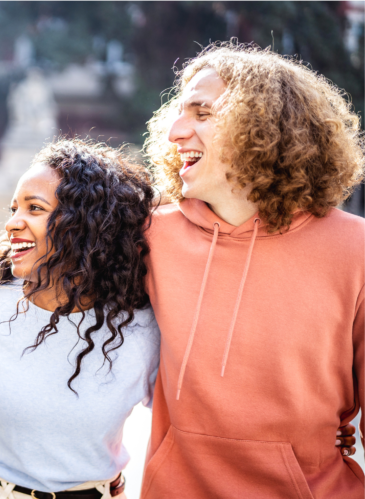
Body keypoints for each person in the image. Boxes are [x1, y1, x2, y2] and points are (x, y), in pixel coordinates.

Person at [140, 42, 365, 497]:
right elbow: (42, 263)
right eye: (180, 114)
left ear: (261, 126)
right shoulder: (149, 235)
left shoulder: (355, 249)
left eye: (202, 114)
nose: (175, 132)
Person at [0, 139, 158, 499]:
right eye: (14, 208)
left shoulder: (140, 331)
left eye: (35, 208)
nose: (13, 222)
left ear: (87, 224)